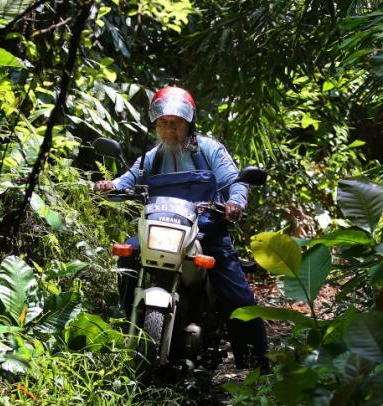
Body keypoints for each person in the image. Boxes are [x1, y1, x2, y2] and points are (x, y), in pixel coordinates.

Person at [94, 85, 269, 371]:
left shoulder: (209, 149)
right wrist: (108, 186)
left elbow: (235, 179)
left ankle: (256, 365)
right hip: (160, 230)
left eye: (175, 123)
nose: (169, 130)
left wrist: (235, 201)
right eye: (162, 123)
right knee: (127, 255)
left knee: (238, 295)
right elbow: (124, 182)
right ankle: (128, 322)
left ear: (189, 123)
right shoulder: (154, 157)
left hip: (205, 232)